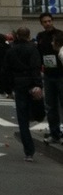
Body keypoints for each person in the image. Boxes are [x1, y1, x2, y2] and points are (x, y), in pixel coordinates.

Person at [3, 26, 43, 161]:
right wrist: (38, 84)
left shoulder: (11, 51)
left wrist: (9, 88)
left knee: (22, 119)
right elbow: (36, 68)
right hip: (31, 84)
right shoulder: (33, 49)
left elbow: (6, 70)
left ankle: (29, 151)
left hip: (18, 85)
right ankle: (37, 118)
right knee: (37, 108)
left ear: (17, 36)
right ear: (29, 35)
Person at [36, 12, 63, 144]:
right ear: (41, 23)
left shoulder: (60, 34)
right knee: (51, 106)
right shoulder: (40, 36)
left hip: (61, 74)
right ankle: (55, 133)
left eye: (49, 21)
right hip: (48, 74)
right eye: (45, 22)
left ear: (52, 21)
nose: (47, 23)